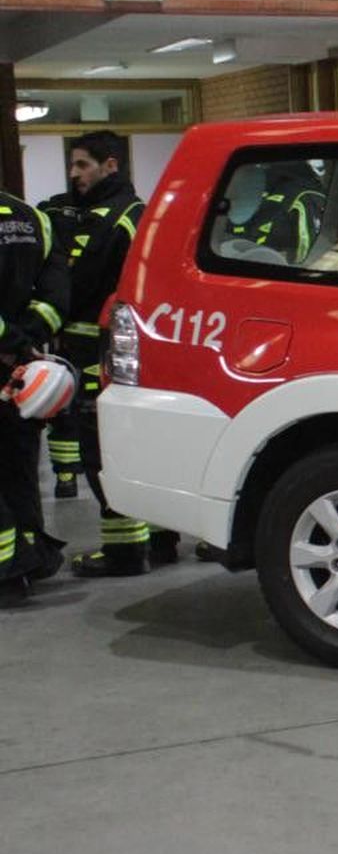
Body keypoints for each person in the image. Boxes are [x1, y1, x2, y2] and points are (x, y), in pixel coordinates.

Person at [52, 131, 178, 576]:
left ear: (110, 166)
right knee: (139, 447)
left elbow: (84, 283)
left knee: (105, 451)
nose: (74, 175)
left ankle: (125, 553)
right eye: (73, 166)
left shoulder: (119, 218)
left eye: (83, 165)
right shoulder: (115, 213)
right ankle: (162, 539)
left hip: (102, 352)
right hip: (115, 352)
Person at [0, 187, 71, 603]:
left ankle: (8, 573)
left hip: (10, 352)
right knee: (19, 464)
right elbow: (57, 295)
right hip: (21, 364)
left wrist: (8, 339)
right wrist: (25, 339)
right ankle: (33, 556)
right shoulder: (33, 218)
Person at [35, 188, 83, 498]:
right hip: (64, 326)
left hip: (64, 326)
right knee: (62, 404)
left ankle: (66, 475)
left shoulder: (50, 214)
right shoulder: (51, 213)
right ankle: (66, 473)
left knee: (62, 404)